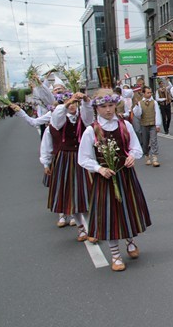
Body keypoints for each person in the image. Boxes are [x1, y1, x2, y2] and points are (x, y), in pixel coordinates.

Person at [78, 89, 152, 272]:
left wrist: (132, 156)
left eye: (111, 105)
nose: (108, 110)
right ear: (97, 108)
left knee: (127, 209)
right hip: (106, 178)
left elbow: (135, 147)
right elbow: (84, 158)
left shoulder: (123, 125)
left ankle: (130, 241)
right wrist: (99, 168)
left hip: (125, 175)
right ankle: (115, 255)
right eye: (103, 106)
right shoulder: (91, 130)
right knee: (110, 215)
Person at [40, 92, 95, 239]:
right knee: (72, 196)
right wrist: (46, 163)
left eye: (74, 104)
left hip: (83, 158)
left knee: (86, 195)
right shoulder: (57, 121)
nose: (72, 106)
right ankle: (81, 228)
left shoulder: (82, 119)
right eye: (69, 104)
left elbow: (89, 116)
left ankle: (90, 228)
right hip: (65, 160)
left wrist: (85, 100)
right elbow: (47, 144)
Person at [132, 86, 161, 167]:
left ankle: (155, 158)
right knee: (145, 142)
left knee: (154, 140)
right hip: (144, 125)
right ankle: (147, 156)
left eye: (150, 92)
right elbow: (138, 114)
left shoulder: (154, 102)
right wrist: (137, 106)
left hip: (152, 124)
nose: (149, 94)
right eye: (148, 92)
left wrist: (157, 124)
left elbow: (157, 113)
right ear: (143, 93)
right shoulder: (140, 103)